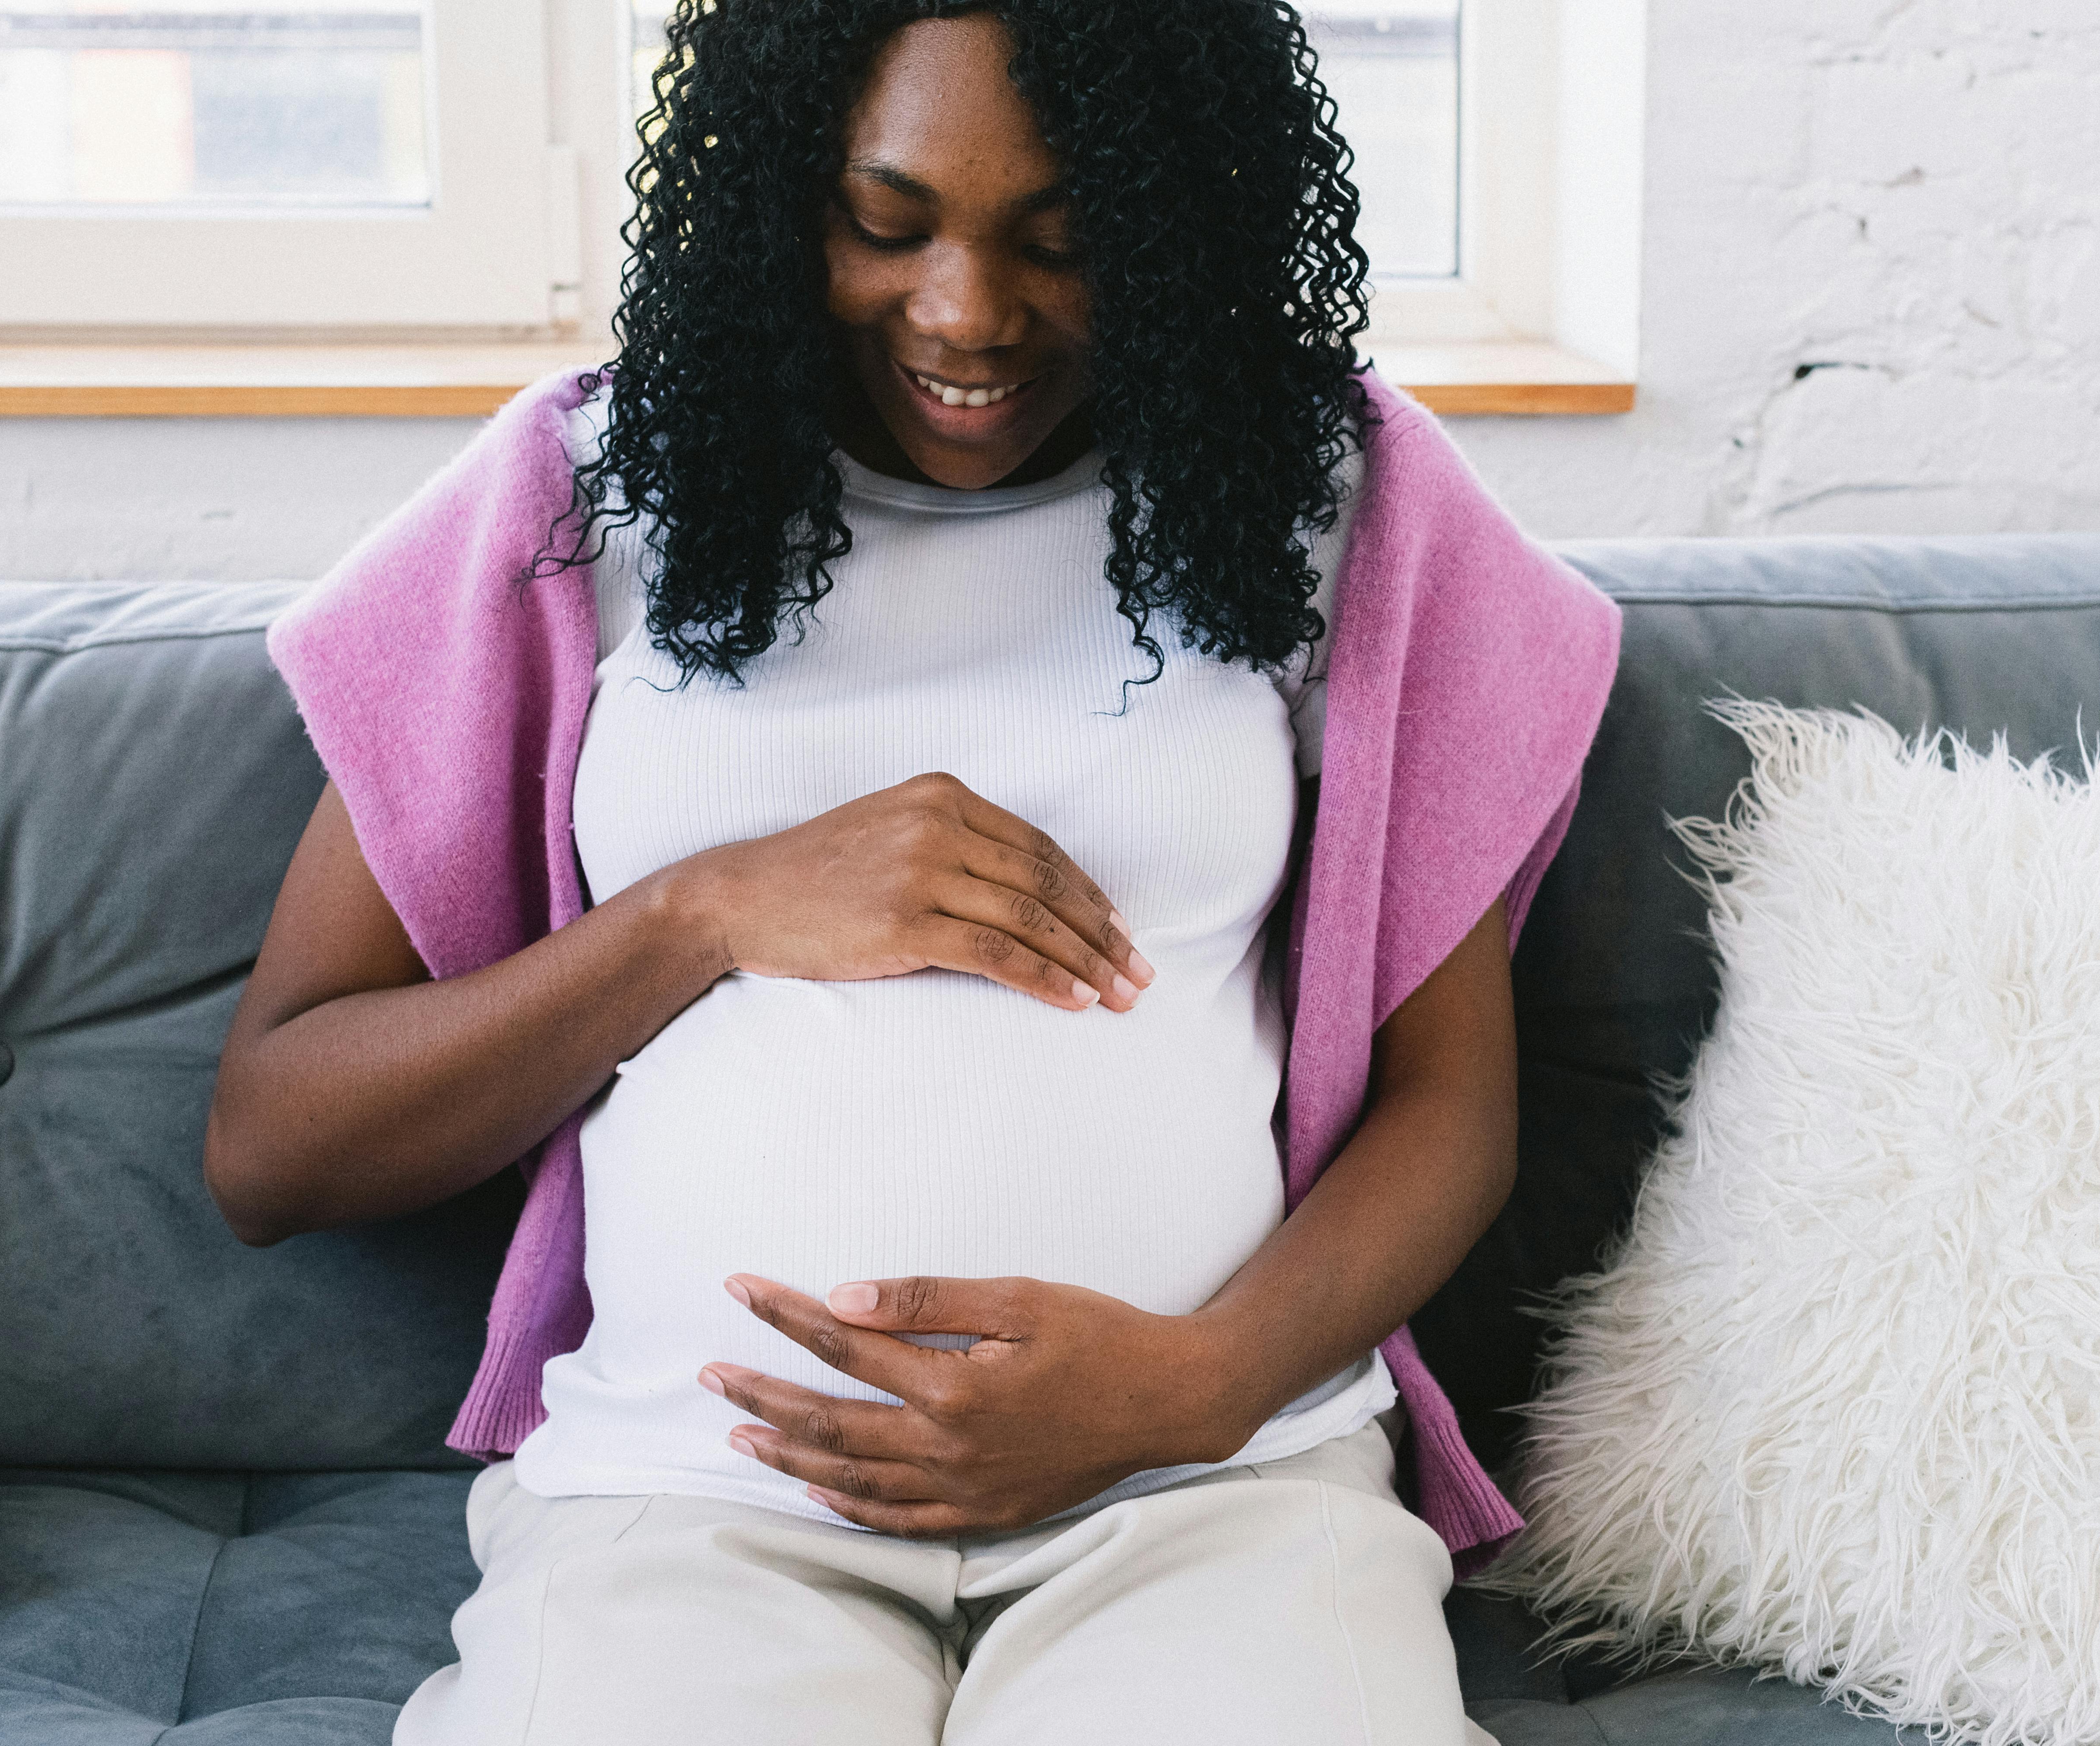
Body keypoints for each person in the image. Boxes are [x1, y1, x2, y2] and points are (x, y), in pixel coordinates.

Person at [204, 2, 1620, 1740]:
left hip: (1215, 1486)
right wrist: (703, 908)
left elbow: (1451, 1102)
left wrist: (1193, 1385)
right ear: (781, 201)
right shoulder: (583, 500)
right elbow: (274, 1141)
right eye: (885, 226)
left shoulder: (1328, 501)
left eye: (1068, 240)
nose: (964, 313)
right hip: (696, 1497)